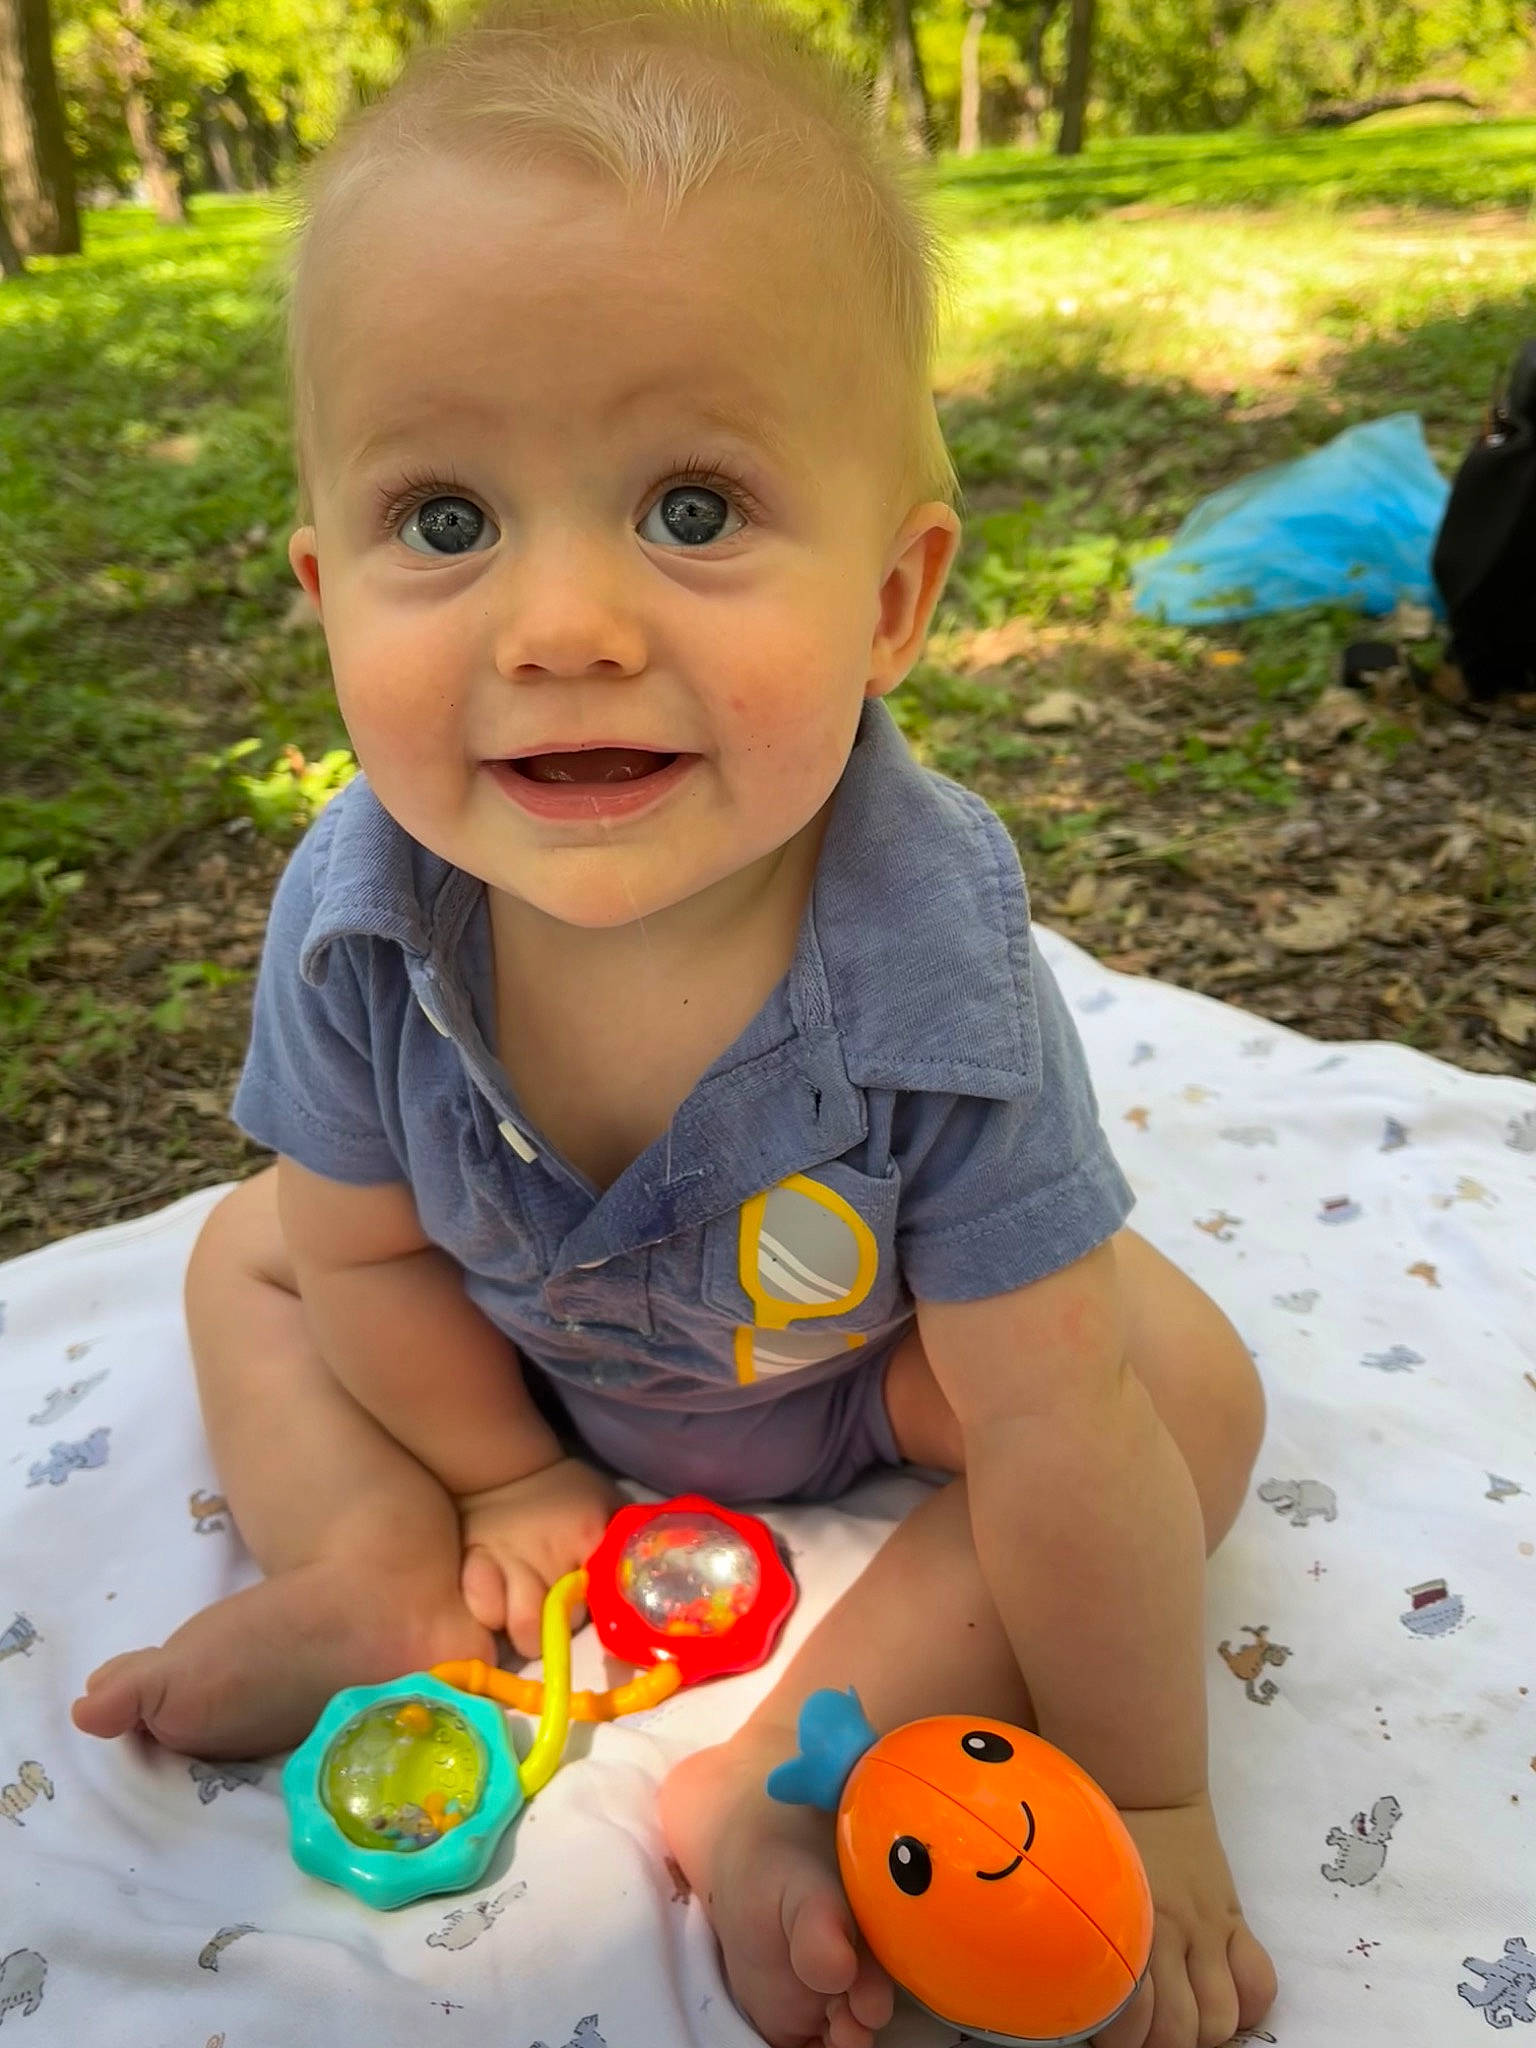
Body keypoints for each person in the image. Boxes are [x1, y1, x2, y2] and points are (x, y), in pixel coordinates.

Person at [72, 4, 1278, 2043]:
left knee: (1168, 1392)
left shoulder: (929, 957)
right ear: (319, 584)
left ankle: (784, 1770)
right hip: (502, 1350)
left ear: (895, 604)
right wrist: (495, 1484)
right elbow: (365, 1251)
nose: (563, 628)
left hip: (854, 1361)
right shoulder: (360, 916)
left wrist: (1151, 1785)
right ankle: (374, 1562)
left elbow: (1056, 1429)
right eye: (444, 520)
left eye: (694, 509)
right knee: (252, 1252)